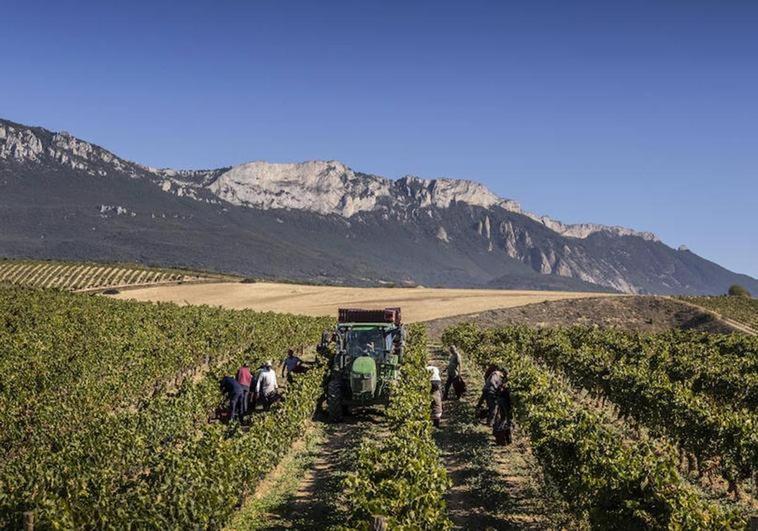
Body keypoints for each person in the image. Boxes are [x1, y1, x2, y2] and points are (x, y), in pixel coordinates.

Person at [492, 370, 513, 445]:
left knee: (502, 418)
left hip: (500, 400)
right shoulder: (509, 383)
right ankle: (505, 438)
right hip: (504, 401)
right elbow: (510, 396)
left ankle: (498, 434)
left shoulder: (502, 382)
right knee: (508, 419)